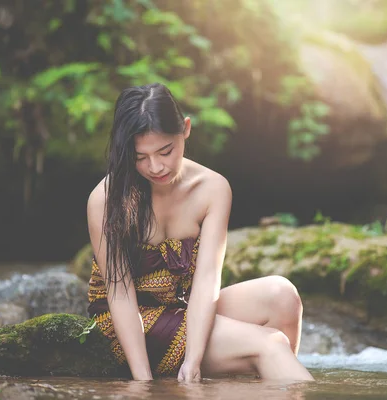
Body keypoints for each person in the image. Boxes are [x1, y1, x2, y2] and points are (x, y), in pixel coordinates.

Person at [86, 83, 314, 383]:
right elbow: (120, 295)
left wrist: (193, 359)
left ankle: (259, 383)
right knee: (270, 345)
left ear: (186, 130)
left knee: (283, 295)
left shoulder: (212, 188)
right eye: (140, 157)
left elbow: (208, 281)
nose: (155, 167)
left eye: (165, 151)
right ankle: (266, 367)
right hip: (127, 322)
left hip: (182, 306)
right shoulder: (106, 198)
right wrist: (144, 384)